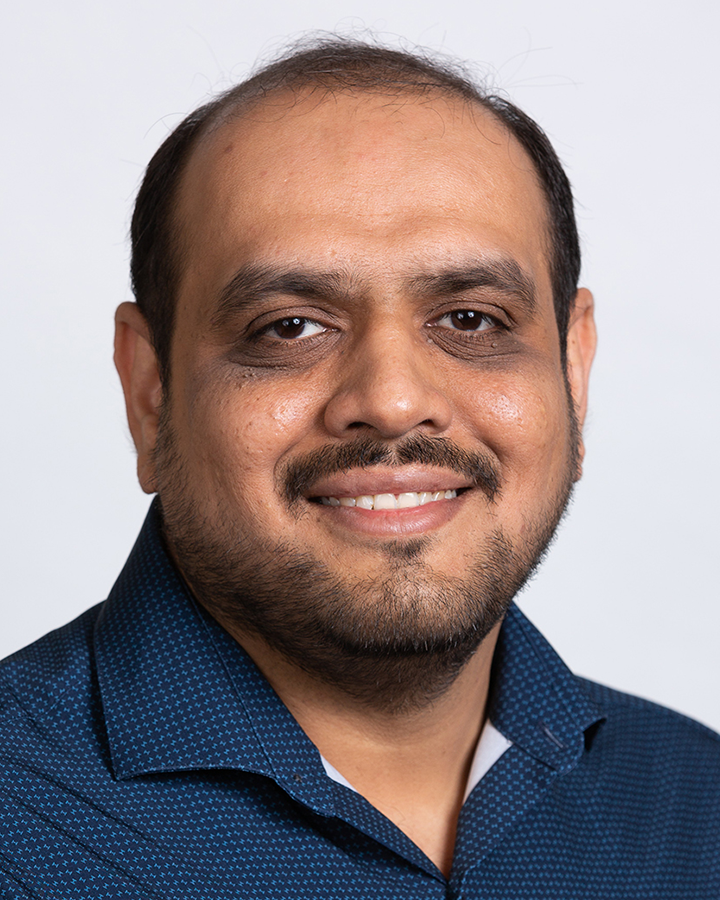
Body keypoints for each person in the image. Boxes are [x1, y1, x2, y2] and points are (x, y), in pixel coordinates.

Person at [1, 37, 718, 899]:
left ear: (572, 370)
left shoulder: (694, 807)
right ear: (150, 393)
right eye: (289, 327)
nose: (390, 399)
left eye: (471, 318)